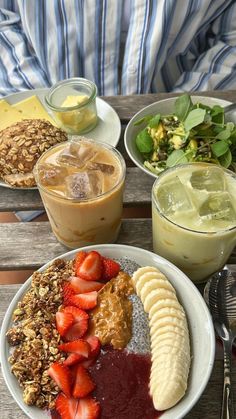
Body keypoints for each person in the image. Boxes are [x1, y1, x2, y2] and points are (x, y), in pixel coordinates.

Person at [0, 0, 236, 98]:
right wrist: (41, 106)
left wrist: (178, 117)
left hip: (179, 102)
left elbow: (231, 35)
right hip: (43, 97)